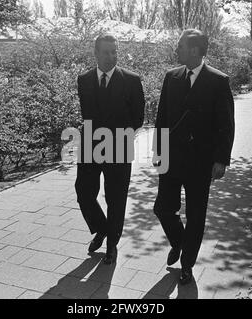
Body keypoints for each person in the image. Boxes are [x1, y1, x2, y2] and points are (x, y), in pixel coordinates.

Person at [153, 29, 235, 285]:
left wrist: (221, 159)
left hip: (201, 162)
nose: (177, 50)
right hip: (173, 159)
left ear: (195, 50)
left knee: (196, 215)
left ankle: (187, 264)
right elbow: (162, 119)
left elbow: (226, 124)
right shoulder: (171, 77)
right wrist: (158, 153)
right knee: (163, 208)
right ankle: (179, 241)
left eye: (180, 46)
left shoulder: (218, 81)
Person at [75, 33, 145, 265]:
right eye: (106, 52)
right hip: (89, 147)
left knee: (116, 198)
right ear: (95, 53)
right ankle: (102, 227)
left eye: (114, 51)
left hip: (119, 147)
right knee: (84, 192)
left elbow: (138, 118)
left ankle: (112, 244)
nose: (111, 56)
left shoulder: (132, 80)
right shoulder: (83, 79)